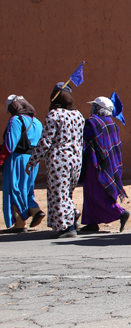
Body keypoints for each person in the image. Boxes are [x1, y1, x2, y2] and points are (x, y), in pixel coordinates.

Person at [27, 83, 85, 238]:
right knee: (67, 192)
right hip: (76, 159)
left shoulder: (54, 115)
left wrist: (33, 161)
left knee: (59, 192)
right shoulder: (78, 115)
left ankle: (67, 227)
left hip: (59, 160)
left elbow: (46, 141)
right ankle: (72, 218)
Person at [78, 97, 130, 233]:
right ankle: (91, 222)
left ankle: (120, 212)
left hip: (95, 163)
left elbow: (86, 142)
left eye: (94, 106)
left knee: (94, 192)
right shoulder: (112, 124)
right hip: (111, 164)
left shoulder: (92, 123)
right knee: (93, 192)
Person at [1, 96, 44, 232]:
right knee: (27, 188)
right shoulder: (37, 121)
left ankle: (20, 223)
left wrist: (1, 160)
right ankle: (35, 210)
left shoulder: (15, 120)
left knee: (14, 188)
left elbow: (9, 145)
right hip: (33, 160)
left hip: (17, 159)